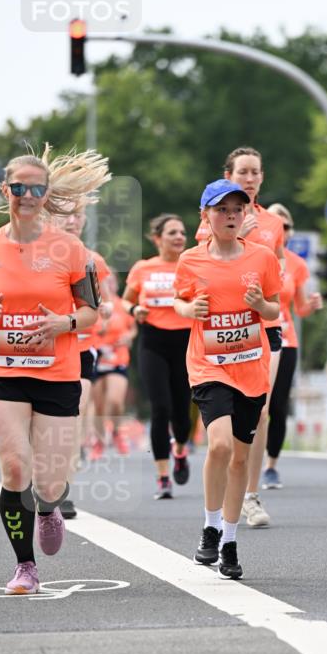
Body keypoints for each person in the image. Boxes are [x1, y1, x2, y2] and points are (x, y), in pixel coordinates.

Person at [0, 146, 108, 594]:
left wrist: (64, 323)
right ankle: (26, 567)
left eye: (35, 188)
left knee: (49, 481)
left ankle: (48, 507)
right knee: (16, 469)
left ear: (46, 194)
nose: (26, 194)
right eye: (18, 187)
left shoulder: (70, 249)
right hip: (3, 370)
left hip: (57, 372)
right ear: (6, 191)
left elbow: (92, 313)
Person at [174, 179, 281, 579]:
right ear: (206, 216)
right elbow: (179, 300)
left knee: (240, 457)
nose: (231, 216)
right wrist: (189, 310)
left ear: (246, 214)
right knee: (218, 446)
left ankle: (230, 540)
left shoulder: (263, 257)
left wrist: (259, 305)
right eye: (222, 210)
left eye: (237, 209)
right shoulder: (191, 260)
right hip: (208, 366)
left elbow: (274, 310)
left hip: (251, 368)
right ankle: (210, 524)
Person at [196, 147, 285, 527]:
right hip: (220, 335)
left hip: (264, 325)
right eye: (242, 172)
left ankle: (250, 493)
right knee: (223, 432)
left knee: (261, 410)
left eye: (255, 173)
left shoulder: (274, 224)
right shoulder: (215, 216)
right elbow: (206, 260)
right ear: (229, 174)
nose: (249, 179)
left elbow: (275, 274)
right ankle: (225, 505)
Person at [49, 199, 113, 516]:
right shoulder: (39, 256)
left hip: (83, 347)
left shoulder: (93, 259)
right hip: (44, 350)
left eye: (79, 214)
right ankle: (43, 479)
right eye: (66, 214)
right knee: (42, 426)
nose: (73, 220)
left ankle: (63, 490)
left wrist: (110, 310)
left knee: (73, 418)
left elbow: (107, 302)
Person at [123, 214, 192, 499]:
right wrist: (133, 310)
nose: (179, 237)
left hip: (186, 342)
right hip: (152, 341)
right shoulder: (143, 268)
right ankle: (163, 477)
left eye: (182, 232)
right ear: (157, 238)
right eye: (172, 232)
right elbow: (126, 298)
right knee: (160, 407)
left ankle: (179, 449)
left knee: (181, 411)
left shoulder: (193, 265)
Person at [258, 202, 323, 489]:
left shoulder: (297, 264)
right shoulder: (251, 256)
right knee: (255, 404)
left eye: (284, 226)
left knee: (278, 403)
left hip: (285, 339)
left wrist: (312, 305)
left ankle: (271, 465)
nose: (279, 230)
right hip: (252, 337)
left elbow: (301, 308)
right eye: (275, 224)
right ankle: (247, 461)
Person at [90, 272, 137, 453]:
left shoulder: (121, 305)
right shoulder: (94, 305)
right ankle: (100, 441)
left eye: (111, 282)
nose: (108, 285)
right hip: (97, 358)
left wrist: (128, 337)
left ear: (116, 284)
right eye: (104, 282)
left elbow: (133, 329)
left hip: (117, 358)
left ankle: (117, 431)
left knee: (115, 400)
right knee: (99, 405)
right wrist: (99, 329)